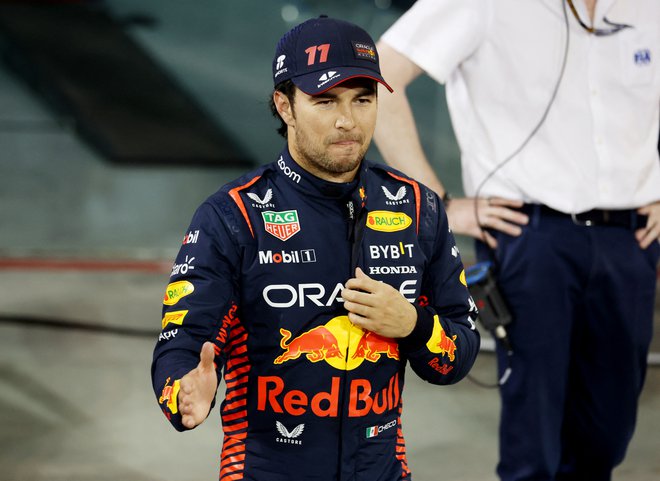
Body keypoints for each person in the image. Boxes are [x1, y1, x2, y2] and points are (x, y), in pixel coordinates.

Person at [151, 15, 480, 481]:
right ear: (285, 106)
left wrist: (411, 324)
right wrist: (183, 392)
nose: (347, 120)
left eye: (362, 100)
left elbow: (459, 353)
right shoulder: (232, 216)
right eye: (324, 101)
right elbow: (181, 345)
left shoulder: (418, 208)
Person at [374, 1, 660, 480]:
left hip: (629, 238)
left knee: (607, 434)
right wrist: (439, 201)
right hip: (530, 237)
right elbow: (380, 76)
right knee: (535, 433)